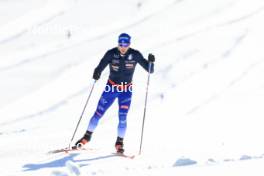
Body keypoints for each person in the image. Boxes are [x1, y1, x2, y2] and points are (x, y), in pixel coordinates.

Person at [74, 33, 155, 153]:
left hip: (126, 90)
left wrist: (151, 62)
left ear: (129, 44)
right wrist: (97, 72)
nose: (123, 47)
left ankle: (119, 143)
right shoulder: (111, 53)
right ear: (118, 43)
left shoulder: (135, 55)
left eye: (125, 44)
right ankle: (86, 137)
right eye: (120, 44)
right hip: (111, 88)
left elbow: (150, 70)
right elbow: (100, 66)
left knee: (122, 117)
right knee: (98, 113)